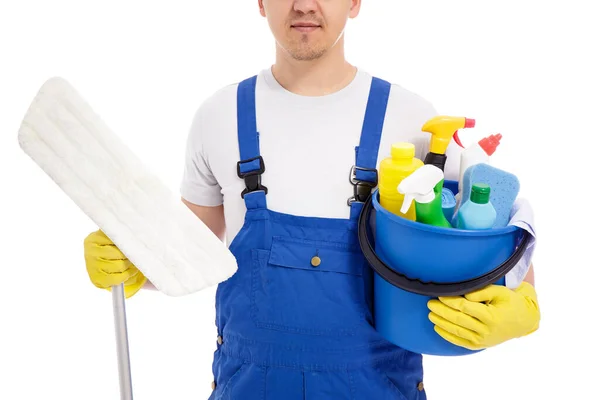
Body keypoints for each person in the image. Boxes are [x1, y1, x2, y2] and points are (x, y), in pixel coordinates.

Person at [83, 1, 541, 398]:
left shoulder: (415, 122)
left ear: (355, 2)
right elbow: (185, 253)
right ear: (261, 2)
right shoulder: (218, 116)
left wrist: (523, 304)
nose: (304, 4)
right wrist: (136, 263)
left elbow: (481, 228)